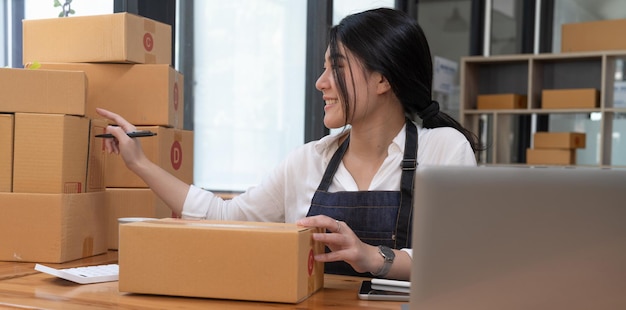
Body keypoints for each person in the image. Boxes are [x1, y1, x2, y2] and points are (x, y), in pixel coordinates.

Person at [97, 7, 482, 281]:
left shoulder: (444, 149)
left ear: (383, 80)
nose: (321, 81)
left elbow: (459, 258)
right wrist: (139, 164)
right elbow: (225, 218)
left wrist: (372, 257)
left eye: (337, 67)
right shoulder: (308, 162)